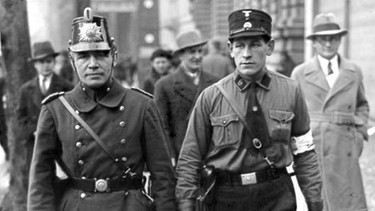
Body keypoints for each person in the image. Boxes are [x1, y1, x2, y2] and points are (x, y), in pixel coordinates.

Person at [27, 8, 176, 211]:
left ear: (113, 56)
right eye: (83, 57)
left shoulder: (141, 106)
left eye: (100, 55)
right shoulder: (56, 110)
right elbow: (40, 182)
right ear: (72, 61)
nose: (93, 64)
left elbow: (163, 177)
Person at [175, 9, 323, 211]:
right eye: (239, 45)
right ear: (230, 48)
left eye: (255, 45)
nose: (246, 54)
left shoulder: (291, 91)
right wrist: (186, 205)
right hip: (227, 197)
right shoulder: (211, 97)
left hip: (277, 196)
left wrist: (315, 202)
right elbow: (190, 159)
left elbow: (305, 153)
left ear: (269, 47)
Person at [291, 13, 369, 211]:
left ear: (340, 40)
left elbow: (362, 104)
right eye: (323, 39)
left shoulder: (353, 70)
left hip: (345, 146)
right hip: (315, 146)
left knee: (348, 202)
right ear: (315, 43)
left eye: (333, 38)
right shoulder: (300, 73)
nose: (328, 44)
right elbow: (292, 112)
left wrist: (358, 134)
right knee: (318, 200)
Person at [154, 30, 218, 164]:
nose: (197, 56)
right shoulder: (164, 85)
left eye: (200, 51)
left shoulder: (215, 83)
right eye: (192, 52)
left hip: (211, 154)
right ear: (181, 55)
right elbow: (162, 127)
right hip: (182, 154)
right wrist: (170, 155)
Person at [17, 41, 73, 175]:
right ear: (35, 65)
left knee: (67, 178)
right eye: (41, 62)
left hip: (61, 144)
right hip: (36, 144)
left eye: (49, 61)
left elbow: (73, 115)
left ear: (54, 62)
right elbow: (20, 117)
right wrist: (33, 130)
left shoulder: (66, 87)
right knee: (39, 179)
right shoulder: (26, 89)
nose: (46, 65)